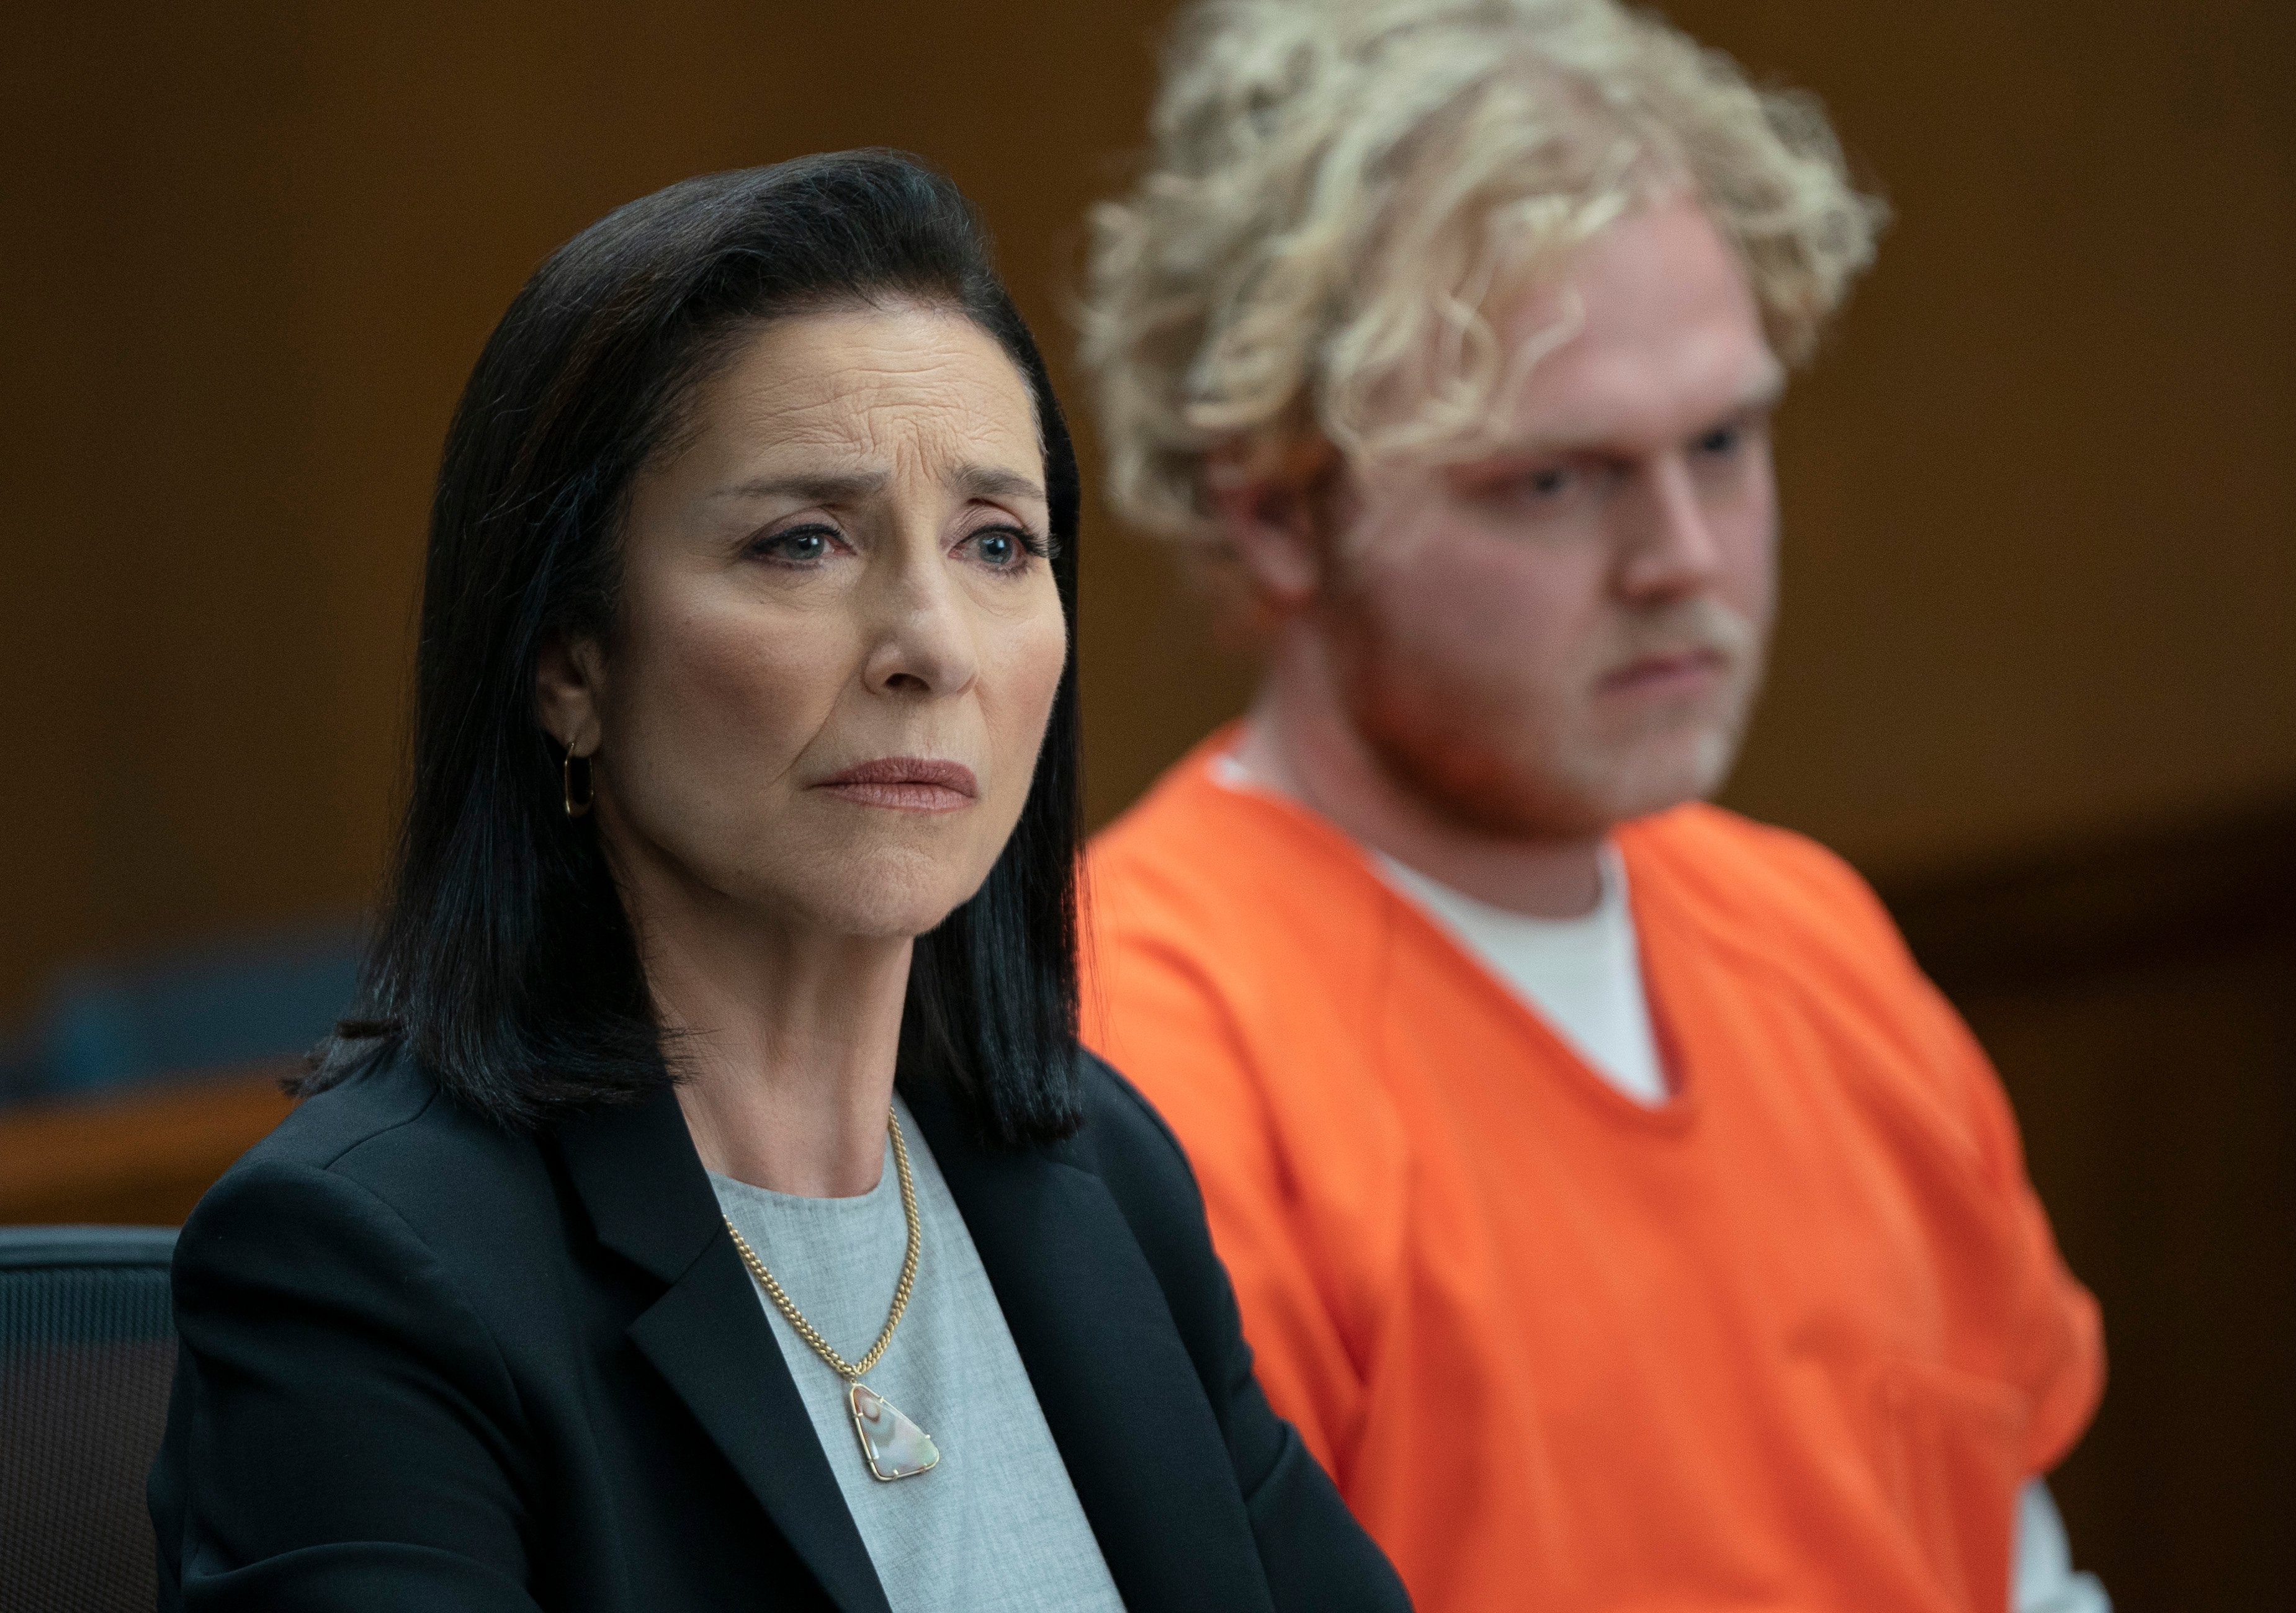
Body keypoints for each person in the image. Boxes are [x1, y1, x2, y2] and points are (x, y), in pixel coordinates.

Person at [146, 151, 1409, 1613]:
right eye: (804, 542)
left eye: (998, 543)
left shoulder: (1094, 1171)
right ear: (571, 664)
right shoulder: (367, 1266)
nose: (932, 643)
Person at [1077, 4, 2107, 1611]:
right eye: (1550, 481)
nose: (1682, 557)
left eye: (1721, 439)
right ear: (1274, 513)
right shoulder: (1141, 1051)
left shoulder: (1813, 942)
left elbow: (2014, 1569)